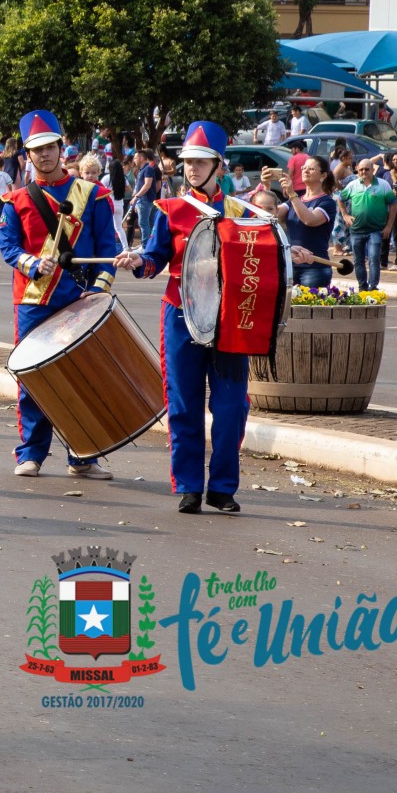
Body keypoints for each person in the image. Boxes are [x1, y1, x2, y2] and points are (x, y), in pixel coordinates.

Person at [114, 122, 255, 515]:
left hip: (228, 318)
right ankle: (190, 485)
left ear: (219, 167)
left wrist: (285, 252)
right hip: (180, 313)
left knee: (231, 407)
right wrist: (139, 259)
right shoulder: (171, 209)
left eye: (200, 162)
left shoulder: (242, 212)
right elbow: (157, 256)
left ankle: (223, 487)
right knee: (183, 403)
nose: (191, 168)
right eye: (187, 162)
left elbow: (257, 257)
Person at [0, 109, 121, 481]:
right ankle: (32, 452)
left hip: (78, 300)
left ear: (62, 148)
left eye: (51, 147)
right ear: (27, 155)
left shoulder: (94, 195)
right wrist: (32, 264)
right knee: (33, 379)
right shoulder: (15, 200)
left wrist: (98, 292)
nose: (46, 154)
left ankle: (82, 455)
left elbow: (108, 246)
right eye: (38, 150)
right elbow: (8, 246)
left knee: (82, 377)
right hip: (33, 300)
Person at [272, 156, 337, 288]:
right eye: (304, 168)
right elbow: (272, 216)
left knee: (310, 307)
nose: (305, 171)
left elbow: (309, 220)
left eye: (311, 169)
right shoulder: (294, 200)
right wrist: (266, 186)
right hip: (291, 265)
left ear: (323, 175)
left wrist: (292, 194)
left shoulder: (326, 202)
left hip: (315, 268)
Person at [339, 157, 395, 291]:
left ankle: (373, 286)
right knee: (358, 261)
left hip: (375, 230)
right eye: (361, 169)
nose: (364, 172)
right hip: (356, 230)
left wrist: (388, 226)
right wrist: (345, 215)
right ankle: (362, 286)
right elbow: (340, 199)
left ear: (372, 170)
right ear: (357, 170)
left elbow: (393, 205)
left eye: (367, 169)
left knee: (374, 258)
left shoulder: (383, 185)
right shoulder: (353, 185)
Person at [132, 149, 161, 242]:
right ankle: (149, 244)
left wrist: (137, 197)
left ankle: (145, 245)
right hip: (144, 200)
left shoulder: (148, 169)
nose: (134, 160)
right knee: (148, 223)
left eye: (135, 158)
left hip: (145, 200)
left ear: (141, 158)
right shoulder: (143, 170)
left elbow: (147, 184)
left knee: (143, 223)